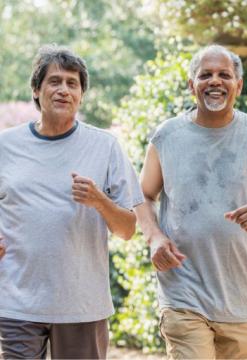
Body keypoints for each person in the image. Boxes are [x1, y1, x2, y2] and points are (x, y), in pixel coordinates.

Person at [135, 44, 247, 359]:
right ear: (191, 85)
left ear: (238, 85)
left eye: (224, 75)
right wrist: (154, 237)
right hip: (184, 294)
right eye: (205, 75)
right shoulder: (167, 136)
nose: (214, 81)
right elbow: (142, 194)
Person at [0, 45, 144, 359]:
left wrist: (100, 201)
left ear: (80, 95)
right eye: (55, 81)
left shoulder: (105, 146)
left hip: (82, 305)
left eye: (72, 83)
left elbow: (128, 229)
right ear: (37, 91)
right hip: (17, 302)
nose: (64, 90)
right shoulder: (5, 146)